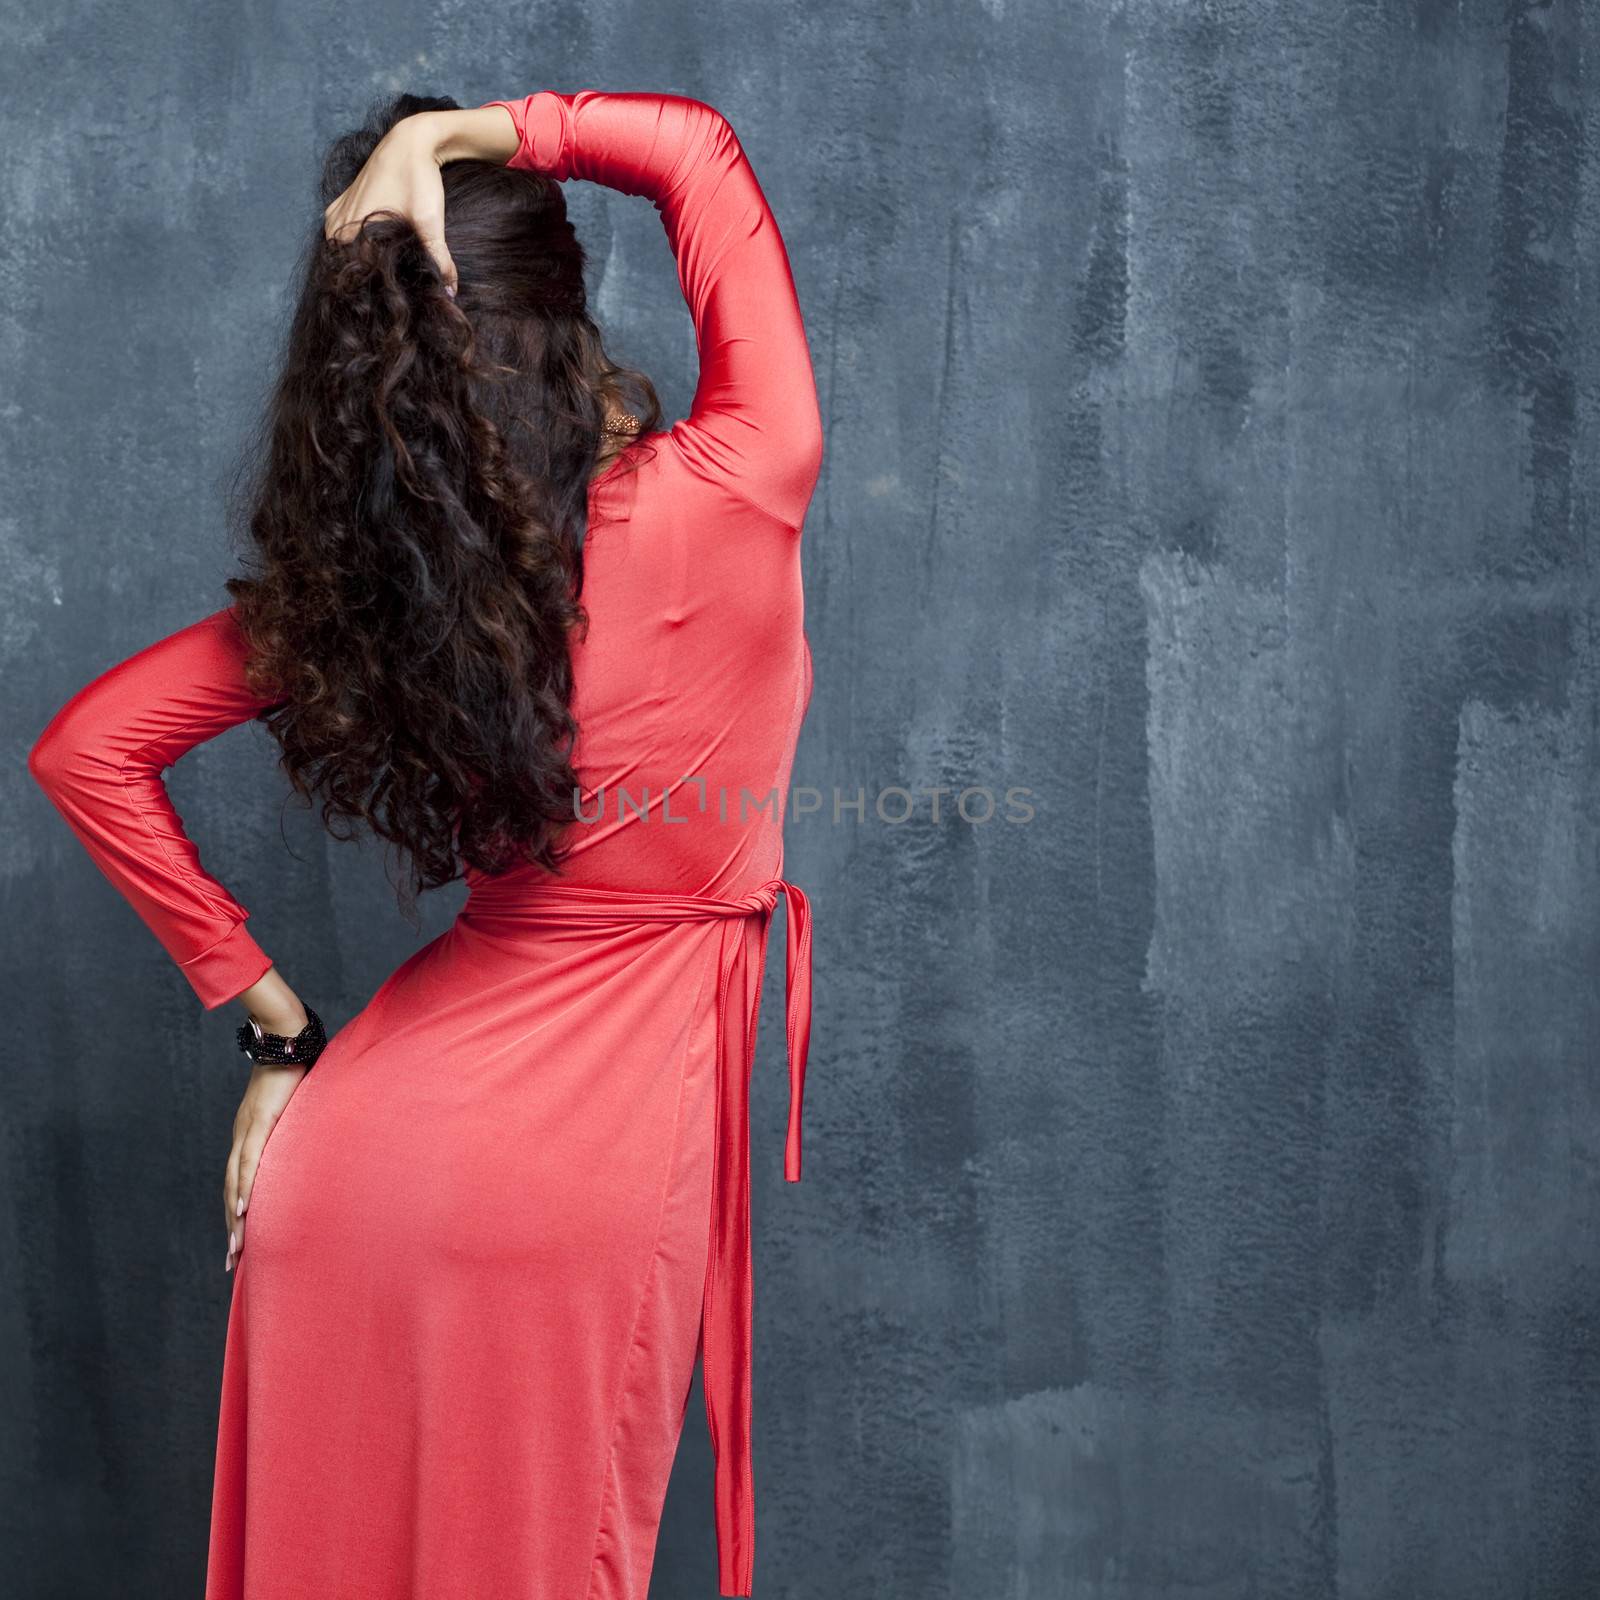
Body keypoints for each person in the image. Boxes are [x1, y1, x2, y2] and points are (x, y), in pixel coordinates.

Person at [27, 86, 823, 1600]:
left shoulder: (381, 594)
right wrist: (470, 134)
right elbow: (697, 148)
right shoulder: (744, 478)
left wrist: (273, 1035)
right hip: (578, 1178)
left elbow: (85, 751)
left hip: (355, 1167)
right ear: (566, 301)